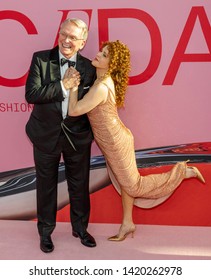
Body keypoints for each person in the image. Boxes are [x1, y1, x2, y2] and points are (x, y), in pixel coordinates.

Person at [67, 40, 205, 241]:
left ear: (112, 64)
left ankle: (183, 172)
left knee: (134, 186)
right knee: (125, 183)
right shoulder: (101, 81)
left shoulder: (102, 87)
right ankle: (127, 223)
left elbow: (74, 110)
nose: (98, 54)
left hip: (116, 142)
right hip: (114, 139)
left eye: (105, 55)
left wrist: (72, 87)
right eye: (101, 51)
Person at [25, 18, 97, 253]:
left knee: (80, 185)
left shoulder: (89, 67)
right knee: (46, 186)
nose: (66, 40)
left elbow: (92, 105)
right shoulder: (41, 59)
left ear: (82, 42)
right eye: (63, 34)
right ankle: (45, 233)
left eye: (72, 37)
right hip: (45, 135)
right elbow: (32, 94)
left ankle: (81, 229)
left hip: (78, 137)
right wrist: (63, 86)